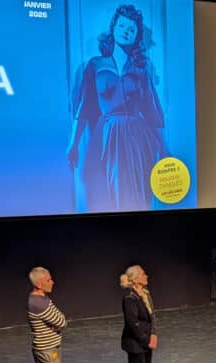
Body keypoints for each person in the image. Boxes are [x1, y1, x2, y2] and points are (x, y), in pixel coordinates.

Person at [67, 4, 167, 213]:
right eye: (121, 26)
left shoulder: (141, 69)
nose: (125, 31)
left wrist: (164, 149)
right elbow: (84, 107)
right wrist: (73, 144)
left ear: (136, 36)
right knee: (111, 193)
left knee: (139, 194)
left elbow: (152, 112)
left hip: (138, 138)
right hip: (108, 135)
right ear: (113, 28)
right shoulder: (95, 65)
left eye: (131, 29)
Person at [120, 264, 157, 363]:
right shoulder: (129, 298)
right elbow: (132, 324)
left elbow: (152, 316)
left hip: (147, 341)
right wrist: (146, 340)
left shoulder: (146, 294)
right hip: (135, 343)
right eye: (143, 274)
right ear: (135, 279)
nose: (146, 276)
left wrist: (153, 334)